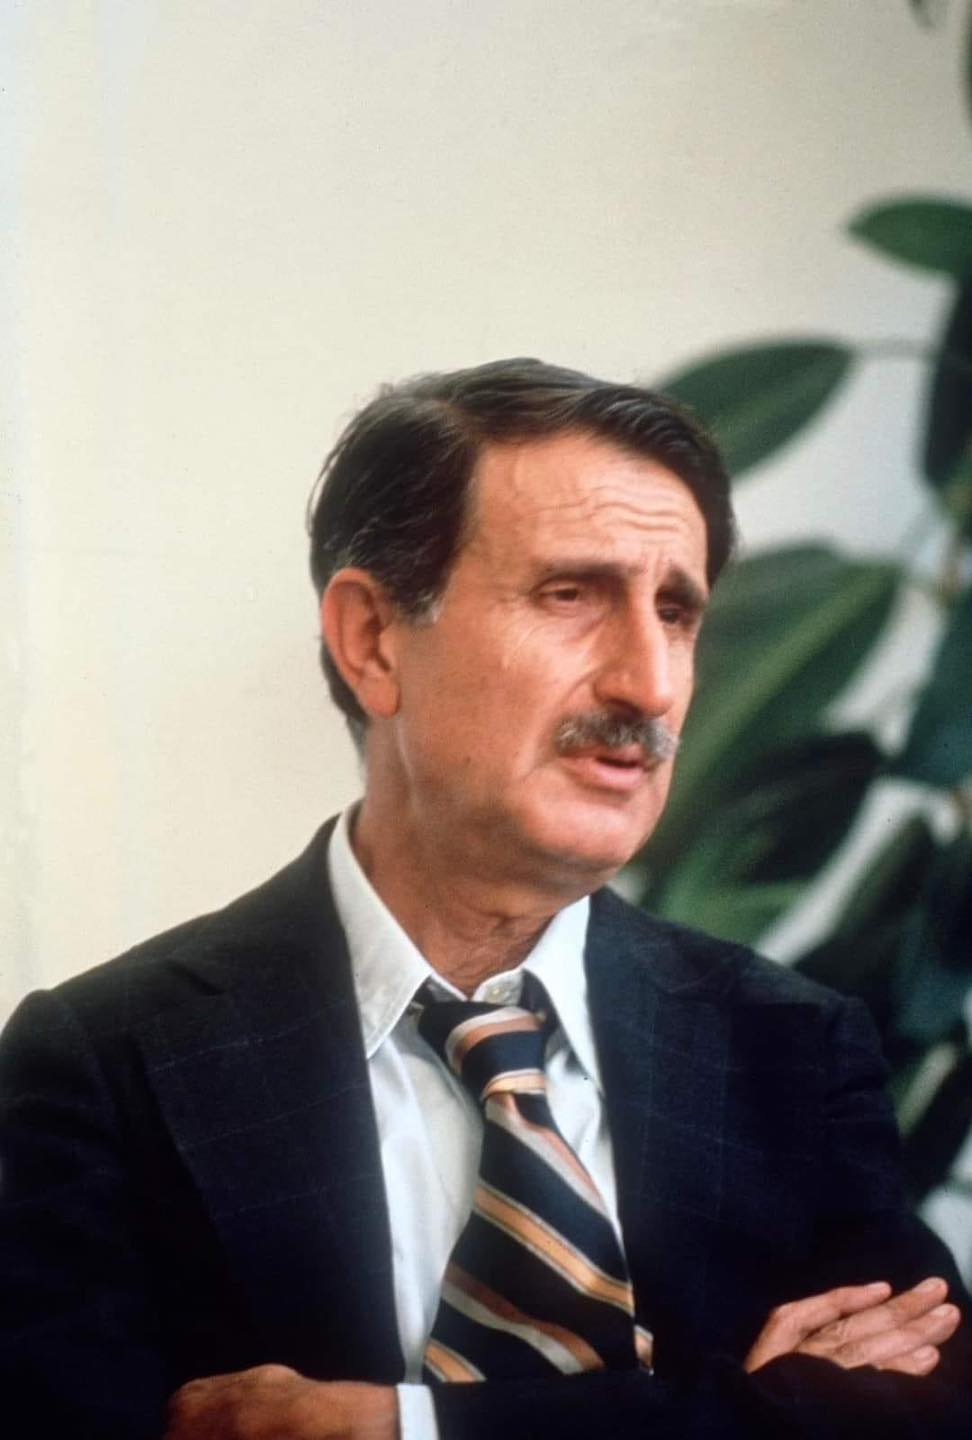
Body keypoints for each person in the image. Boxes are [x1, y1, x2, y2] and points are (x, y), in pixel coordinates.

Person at [0, 358, 968, 1440]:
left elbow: (921, 1419)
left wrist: (402, 1429)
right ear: (373, 641)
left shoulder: (793, 1050)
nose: (649, 684)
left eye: (676, 612)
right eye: (571, 595)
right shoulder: (104, 1066)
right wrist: (748, 1411)